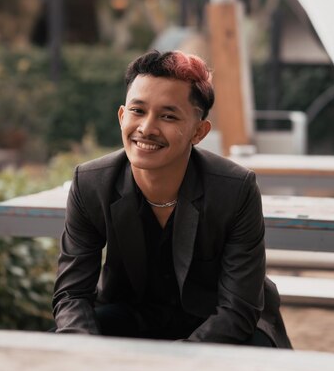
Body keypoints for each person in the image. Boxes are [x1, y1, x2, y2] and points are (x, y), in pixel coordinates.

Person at [53, 50, 292, 348]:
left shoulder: (235, 189)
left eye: (168, 116)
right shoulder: (91, 183)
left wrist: (174, 361)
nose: (147, 128)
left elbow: (238, 309)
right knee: (70, 340)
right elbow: (72, 296)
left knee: (256, 350)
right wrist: (87, 351)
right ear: (121, 116)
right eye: (138, 111)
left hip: (220, 324)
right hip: (132, 316)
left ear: (199, 132)